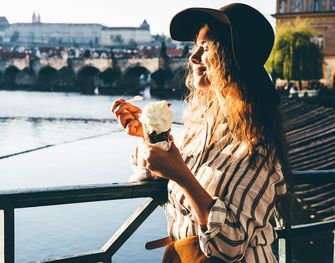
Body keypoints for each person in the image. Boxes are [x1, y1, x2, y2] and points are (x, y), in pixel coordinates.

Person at [111, 3, 290, 262]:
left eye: (205, 47)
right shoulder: (202, 125)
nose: (193, 57)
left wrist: (183, 176)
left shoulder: (258, 145)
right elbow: (154, 174)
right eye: (195, 46)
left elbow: (230, 244)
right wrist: (150, 135)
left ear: (234, 57)